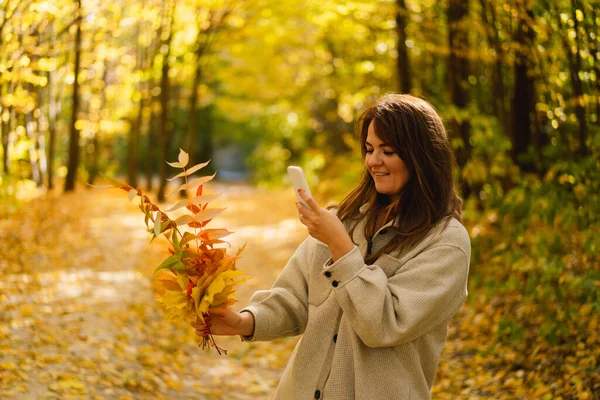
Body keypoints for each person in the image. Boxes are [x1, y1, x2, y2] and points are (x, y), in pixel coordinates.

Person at [192, 93, 471, 400]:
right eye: (369, 149)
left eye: (388, 150)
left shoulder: (446, 244)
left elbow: (384, 325)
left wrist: (340, 246)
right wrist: (244, 321)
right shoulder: (347, 219)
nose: (373, 161)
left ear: (422, 155)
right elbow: (294, 298)